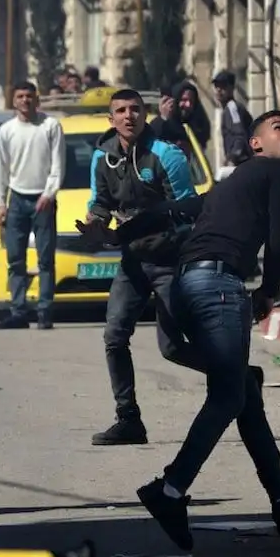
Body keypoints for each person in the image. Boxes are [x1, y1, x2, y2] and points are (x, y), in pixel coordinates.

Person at [129, 110, 280, 550]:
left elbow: (171, 210)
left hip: (187, 286)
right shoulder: (275, 173)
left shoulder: (227, 186)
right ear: (255, 144)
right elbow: (279, 236)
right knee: (229, 394)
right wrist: (269, 290)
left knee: (243, 389)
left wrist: (117, 233)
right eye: (278, 128)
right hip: (219, 287)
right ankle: (170, 490)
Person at [78, 89, 199, 446]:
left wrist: (150, 222)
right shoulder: (102, 158)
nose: (128, 116)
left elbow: (188, 209)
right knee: (114, 336)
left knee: (173, 348)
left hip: (169, 261)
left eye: (135, 110)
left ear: (144, 115)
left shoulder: (166, 155)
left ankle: (237, 378)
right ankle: (128, 419)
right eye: (120, 111)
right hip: (133, 262)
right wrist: (93, 224)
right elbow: (98, 202)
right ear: (110, 119)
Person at [0, 81, 65, 330]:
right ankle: (18, 311)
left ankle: (45, 311)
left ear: (37, 100)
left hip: (43, 200)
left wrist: (49, 193)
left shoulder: (50, 126)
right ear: (14, 101)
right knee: (15, 259)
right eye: (20, 96)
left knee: (45, 258)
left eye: (29, 96)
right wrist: (0, 203)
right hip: (17, 200)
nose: (25, 100)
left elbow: (58, 164)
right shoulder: (6, 131)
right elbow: (1, 169)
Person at [151, 81, 212, 155]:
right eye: (184, 100)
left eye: (191, 101)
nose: (188, 105)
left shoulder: (194, 128)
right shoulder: (160, 125)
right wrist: (164, 118)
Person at [212, 71, 253, 175]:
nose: (219, 90)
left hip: (241, 163)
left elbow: (239, 134)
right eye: (216, 86)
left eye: (223, 86)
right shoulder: (228, 108)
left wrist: (233, 157)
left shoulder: (232, 107)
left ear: (231, 88)